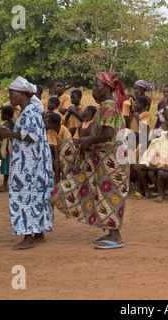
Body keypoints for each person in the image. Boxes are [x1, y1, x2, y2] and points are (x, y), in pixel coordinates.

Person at [50, 72, 129, 250]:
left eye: (97, 86)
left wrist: (88, 141)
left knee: (109, 194)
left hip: (111, 160)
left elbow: (108, 134)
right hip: (109, 159)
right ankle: (111, 233)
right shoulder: (106, 107)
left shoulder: (108, 106)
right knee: (106, 194)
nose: (93, 89)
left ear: (107, 88)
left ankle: (116, 237)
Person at [0, 76, 54, 250]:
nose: (10, 97)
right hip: (34, 163)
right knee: (37, 195)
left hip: (28, 164)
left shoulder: (29, 111)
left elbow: (33, 136)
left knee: (24, 196)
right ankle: (39, 233)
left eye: (12, 93)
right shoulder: (31, 111)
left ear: (21, 94)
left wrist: (9, 134)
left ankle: (28, 236)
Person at [46, 112, 72, 183]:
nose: (46, 124)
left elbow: (67, 144)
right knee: (57, 165)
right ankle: (57, 183)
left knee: (64, 166)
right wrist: (57, 159)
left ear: (54, 124)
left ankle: (64, 182)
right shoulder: (51, 130)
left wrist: (59, 158)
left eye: (48, 122)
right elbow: (54, 145)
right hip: (57, 151)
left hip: (67, 152)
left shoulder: (64, 130)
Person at [0, 105, 15, 193]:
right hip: (7, 150)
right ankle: (5, 184)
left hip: (13, 149)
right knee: (5, 165)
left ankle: (10, 184)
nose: (1, 116)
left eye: (2, 114)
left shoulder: (14, 124)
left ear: (6, 116)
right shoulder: (5, 124)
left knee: (12, 167)